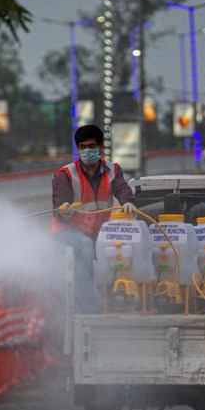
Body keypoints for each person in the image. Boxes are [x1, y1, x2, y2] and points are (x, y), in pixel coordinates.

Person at [52, 125, 137, 307]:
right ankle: (88, 301)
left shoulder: (113, 170)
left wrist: (127, 201)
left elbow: (121, 187)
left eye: (91, 146)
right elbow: (58, 205)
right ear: (77, 149)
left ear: (101, 147)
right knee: (85, 246)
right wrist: (63, 210)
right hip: (67, 232)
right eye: (82, 147)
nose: (87, 151)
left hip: (96, 232)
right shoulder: (65, 175)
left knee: (120, 247)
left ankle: (118, 297)